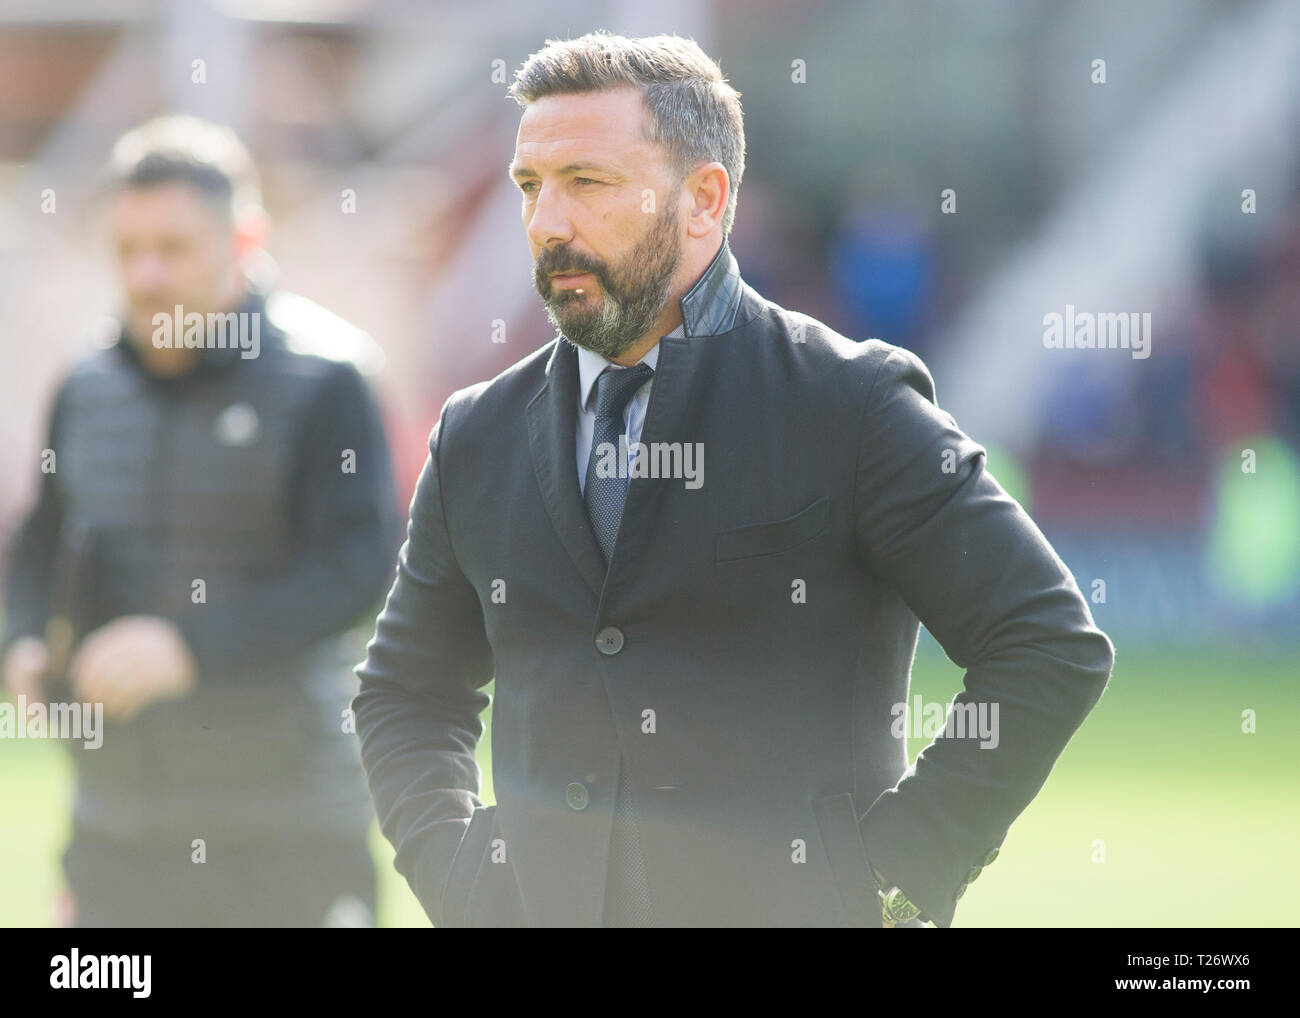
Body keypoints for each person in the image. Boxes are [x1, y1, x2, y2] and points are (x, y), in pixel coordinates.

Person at [351, 31, 1114, 928]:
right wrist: (462, 879)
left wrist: (895, 880)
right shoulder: (474, 431)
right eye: (531, 186)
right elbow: (405, 693)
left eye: (586, 183)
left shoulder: (852, 402)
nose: (547, 222)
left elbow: (1046, 643)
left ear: (703, 200)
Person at [0, 115, 400, 927]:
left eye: (173, 248)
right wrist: (25, 638)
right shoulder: (84, 385)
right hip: (118, 834)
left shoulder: (328, 378)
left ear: (244, 239)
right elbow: (37, 543)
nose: (147, 274)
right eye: (127, 250)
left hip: (289, 832)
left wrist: (188, 647)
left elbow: (359, 571)